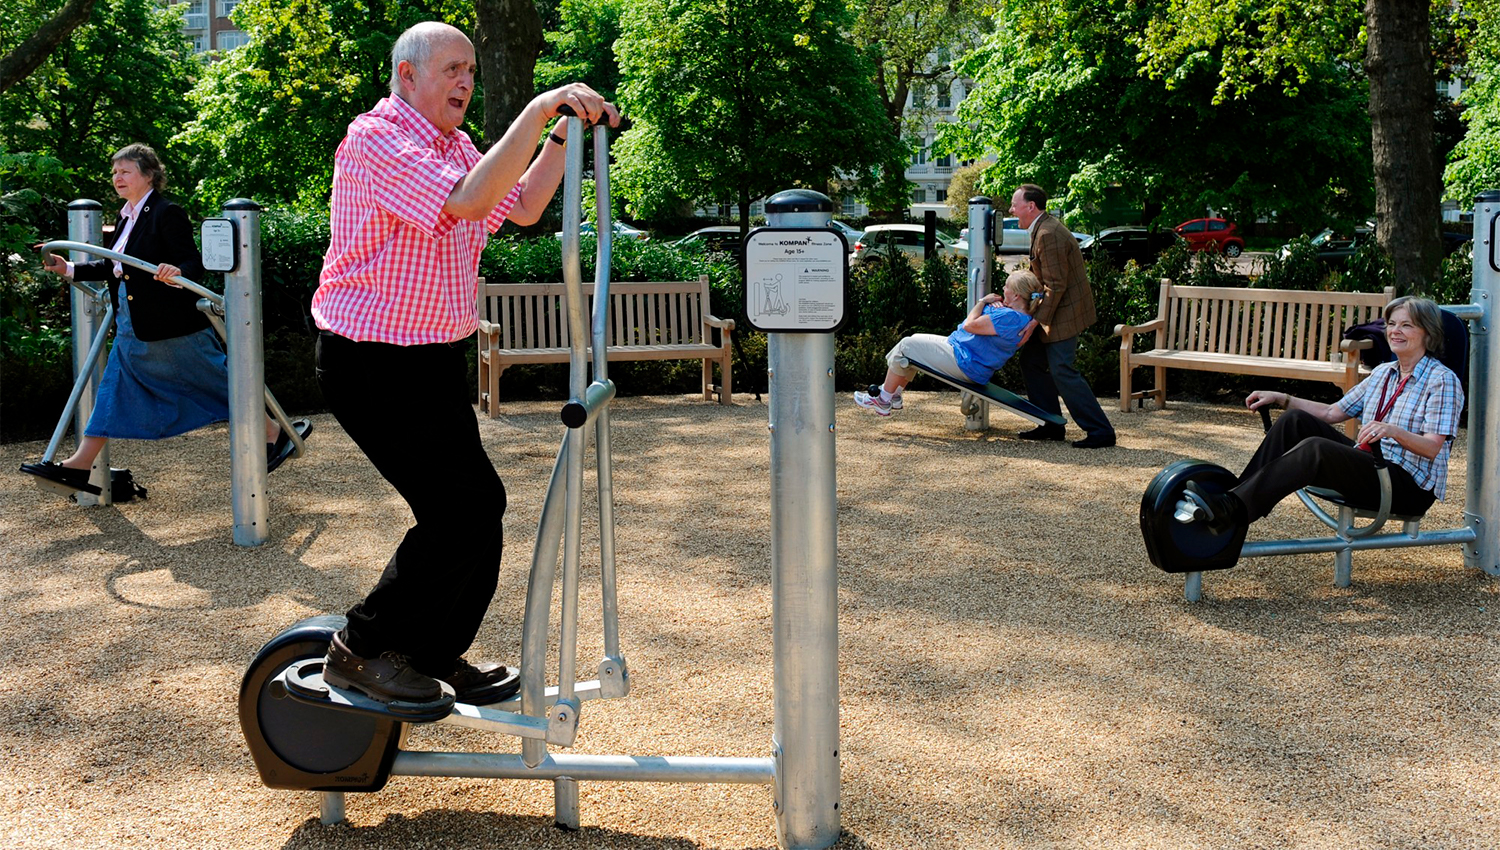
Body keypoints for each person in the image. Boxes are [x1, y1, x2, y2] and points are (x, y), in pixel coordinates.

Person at [310, 21, 620, 708]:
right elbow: (471, 203)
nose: (464, 81)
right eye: (451, 68)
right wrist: (540, 108)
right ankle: (361, 650)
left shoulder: (455, 147)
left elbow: (528, 205)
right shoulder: (378, 137)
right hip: (373, 360)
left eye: (471, 71)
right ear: (406, 76)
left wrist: (563, 133)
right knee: (462, 511)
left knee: (478, 508)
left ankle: (427, 653)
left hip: (432, 360)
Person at [20, 144, 297, 497]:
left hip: (170, 326)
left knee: (221, 384)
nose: (118, 177)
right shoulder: (126, 216)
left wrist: (177, 271)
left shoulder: (167, 213)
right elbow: (116, 265)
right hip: (134, 324)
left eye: (126, 171)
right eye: (115, 172)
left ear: (149, 175)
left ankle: (274, 431)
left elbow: (192, 263)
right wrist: (70, 268)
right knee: (113, 390)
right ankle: (79, 464)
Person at [1186, 296, 1464, 533]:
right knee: (1294, 421)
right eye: (1391, 324)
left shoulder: (1442, 381)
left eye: (1406, 325)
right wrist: (1283, 398)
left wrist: (1392, 431)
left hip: (1407, 485)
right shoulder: (1383, 373)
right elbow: (1333, 412)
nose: (1395, 331)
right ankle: (1229, 499)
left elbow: (1432, 448)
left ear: (1427, 333)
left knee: (1316, 449)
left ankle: (1231, 511)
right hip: (1372, 463)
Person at [1009, 184, 1117, 448]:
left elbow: (1056, 285)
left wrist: (1035, 320)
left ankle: (1101, 432)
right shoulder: (1042, 228)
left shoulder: (1048, 233)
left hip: (1064, 314)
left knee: (1062, 370)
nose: (1011, 210)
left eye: (1015, 205)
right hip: (1055, 310)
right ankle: (1051, 424)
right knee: (1032, 362)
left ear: (1030, 206)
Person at [853, 270, 1044, 415]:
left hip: (964, 360)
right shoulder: (1021, 318)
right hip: (966, 357)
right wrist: (993, 309)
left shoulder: (1009, 317)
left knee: (906, 346)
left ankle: (884, 399)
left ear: (1017, 295)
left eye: (1006, 287)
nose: (1003, 289)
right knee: (911, 344)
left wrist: (982, 302)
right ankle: (892, 395)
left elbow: (970, 326)